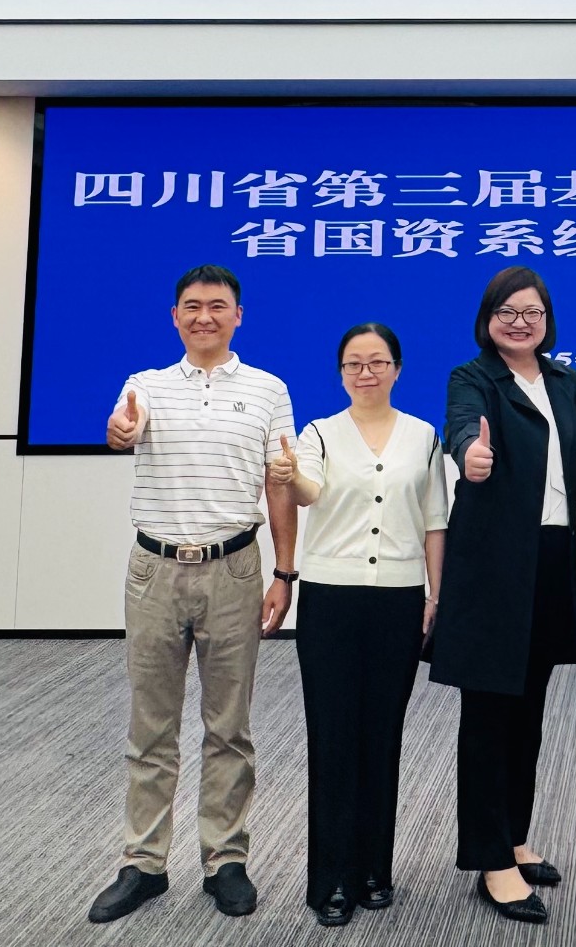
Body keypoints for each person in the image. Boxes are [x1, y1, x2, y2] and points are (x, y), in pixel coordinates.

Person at [88, 264, 297, 924]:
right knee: (150, 725)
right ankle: (143, 862)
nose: (205, 316)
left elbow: (280, 481)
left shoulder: (268, 389)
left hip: (234, 569)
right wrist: (120, 432)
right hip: (154, 570)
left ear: (239, 316)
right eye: (192, 306)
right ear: (175, 317)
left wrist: (284, 572)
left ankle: (225, 858)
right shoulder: (145, 385)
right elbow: (120, 431)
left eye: (218, 305)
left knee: (229, 726)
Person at [429, 266, 576, 925]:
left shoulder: (566, 382)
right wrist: (469, 457)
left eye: (532, 312)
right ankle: (490, 860)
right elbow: (462, 430)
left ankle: (514, 836)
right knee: (488, 712)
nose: (520, 322)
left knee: (529, 705)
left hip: (554, 560)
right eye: (507, 311)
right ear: (488, 318)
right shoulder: (473, 378)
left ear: (547, 319)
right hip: (495, 568)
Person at [274, 322, 447, 927]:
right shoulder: (319, 433)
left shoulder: (424, 436)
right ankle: (330, 879)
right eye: (353, 363)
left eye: (377, 362)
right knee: (332, 736)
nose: (365, 372)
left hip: (399, 600)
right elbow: (308, 490)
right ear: (341, 372)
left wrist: (435, 594)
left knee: (382, 735)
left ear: (397, 368)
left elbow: (434, 520)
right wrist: (290, 474)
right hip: (331, 600)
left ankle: (374, 869)